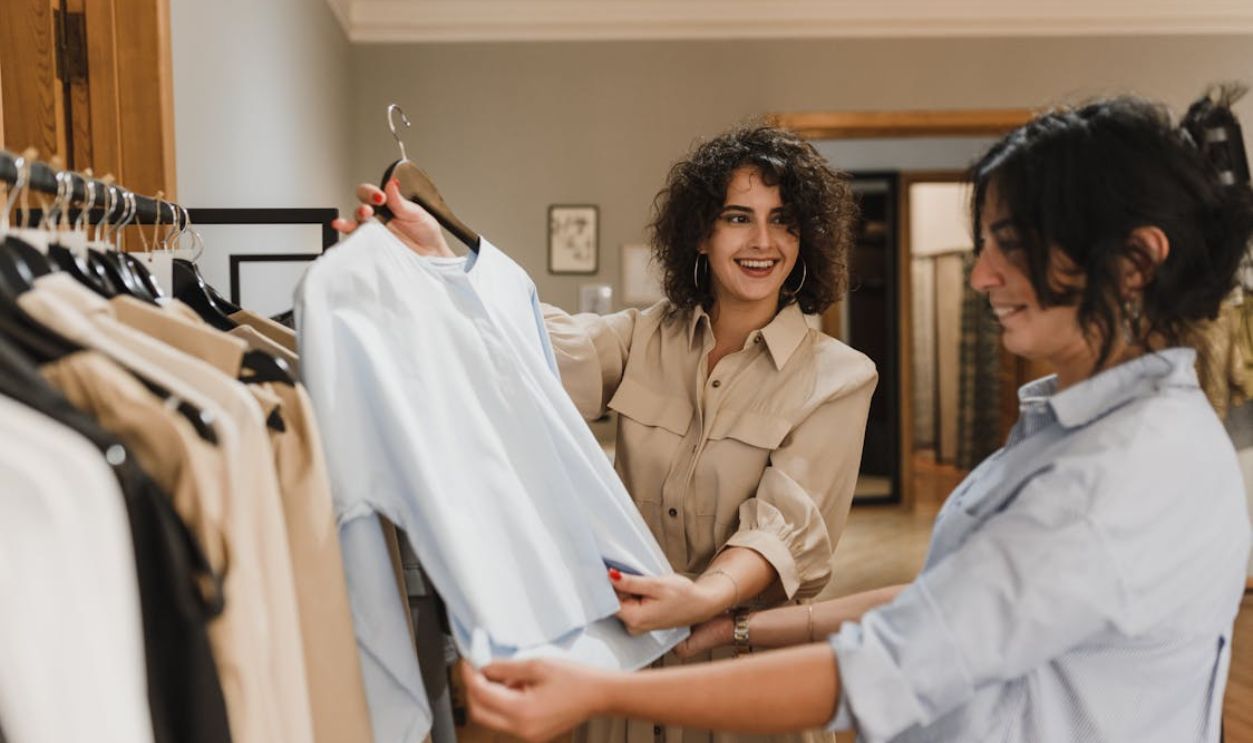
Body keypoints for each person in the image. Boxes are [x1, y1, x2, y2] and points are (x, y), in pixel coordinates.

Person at [459, 95, 1253, 743]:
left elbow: (886, 663)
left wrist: (603, 678)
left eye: (1008, 244)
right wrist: (449, 264)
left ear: (1134, 262)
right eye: (737, 217)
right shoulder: (1087, 430)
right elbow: (946, 600)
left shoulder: (1112, 480)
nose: (979, 274)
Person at [333, 125, 878, 742]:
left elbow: (783, 530)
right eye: (737, 217)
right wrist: (434, 263)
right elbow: (526, 347)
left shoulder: (838, 377)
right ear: (701, 232)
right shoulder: (643, 338)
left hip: (744, 690)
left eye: (783, 221)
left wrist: (702, 600)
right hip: (627, 674)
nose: (762, 242)